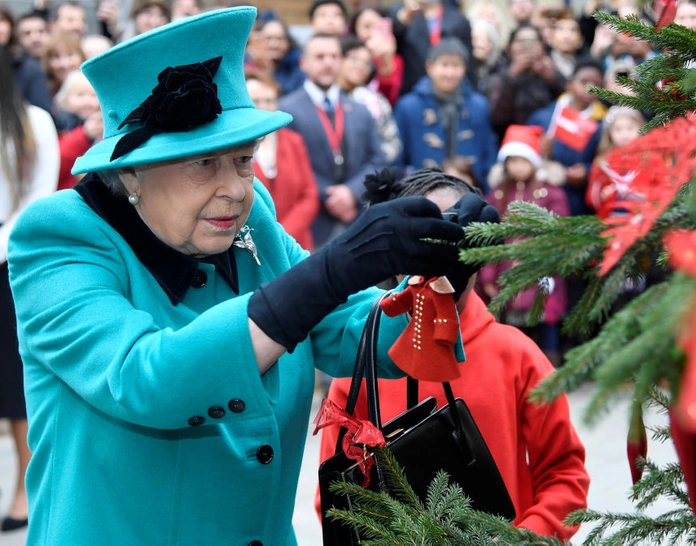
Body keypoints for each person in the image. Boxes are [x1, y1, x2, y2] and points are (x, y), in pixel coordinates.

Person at [6, 8, 487, 545]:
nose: (235, 187)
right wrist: (329, 271)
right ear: (130, 172)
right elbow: (144, 380)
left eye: (243, 158)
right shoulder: (60, 237)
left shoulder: (248, 216)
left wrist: (444, 267)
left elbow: (356, 335)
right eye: (202, 163)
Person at [317, 167, 589, 542]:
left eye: (457, 244)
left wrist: (524, 537)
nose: (441, 264)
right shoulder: (357, 367)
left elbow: (564, 476)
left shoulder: (517, 356)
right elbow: (335, 499)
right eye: (424, 244)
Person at [0, 44, 59, 533]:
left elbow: (35, 202)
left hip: (7, 261)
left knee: (15, 385)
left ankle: (25, 488)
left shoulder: (33, 121)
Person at [278, 33, 385, 247]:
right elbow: (288, 165)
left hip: (356, 219)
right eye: (320, 57)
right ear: (303, 62)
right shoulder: (286, 110)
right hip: (312, 223)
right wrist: (330, 195)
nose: (328, 63)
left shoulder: (361, 111)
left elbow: (378, 160)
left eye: (334, 56)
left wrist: (351, 192)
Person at [479, 124, 570, 364]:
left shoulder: (550, 194)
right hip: (507, 268)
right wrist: (488, 275)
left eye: (523, 160)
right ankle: (518, 365)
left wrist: (549, 259)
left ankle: (549, 363)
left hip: (541, 267)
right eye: (512, 161)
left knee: (545, 315)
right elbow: (490, 236)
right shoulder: (498, 194)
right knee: (514, 321)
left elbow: (560, 230)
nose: (517, 166)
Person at [394, 38, 497, 193]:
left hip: (469, 190)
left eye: (456, 66)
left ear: (464, 68)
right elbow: (398, 157)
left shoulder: (478, 105)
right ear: (430, 67)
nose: (450, 73)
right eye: (444, 65)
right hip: (421, 193)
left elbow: (488, 152)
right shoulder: (408, 106)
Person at [246, 71, 319, 250]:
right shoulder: (236, 148)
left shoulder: (293, 141)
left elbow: (309, 194)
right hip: (255, 245)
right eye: (256, 101)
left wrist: (282, 233)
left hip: (295, 244)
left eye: (269, 101)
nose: (264, 107)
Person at [528, 57, 607, 216]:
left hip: (578, 204)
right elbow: (522, 153)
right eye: (584, 82)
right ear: (569, 84)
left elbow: (606, 159)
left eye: (596, 84)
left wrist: (586, 172)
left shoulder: (602, 124)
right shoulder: (544, 117)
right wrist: (540, 150)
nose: (590, 88)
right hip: (540, 198)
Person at [484, 23, 566, 143]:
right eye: (521, 41)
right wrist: (512, 75)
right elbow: (496, 118)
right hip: (510, 143)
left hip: (545, 142)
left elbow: (569, 105)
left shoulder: (550, 72)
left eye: (533, 41)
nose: (526, 46)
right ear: (509, 48)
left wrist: (550, 78)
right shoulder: (498, 76)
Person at [338, 36, 402, 165]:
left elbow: (392, 142)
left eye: (366, 63)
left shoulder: (377, 101)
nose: (360, 66)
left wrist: (374, 160)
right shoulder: (325, 97)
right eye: (354, 59)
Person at [390, 0, 475, 96]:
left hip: (452, 91)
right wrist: (405, 17)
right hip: (412, 88)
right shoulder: (400, 13)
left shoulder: (458, 20)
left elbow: (468, 63)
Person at [586, 106, 647, 220]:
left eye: (630, 128)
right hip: (610, 219)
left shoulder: (648, 159)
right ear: (609, 134)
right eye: (618, 129)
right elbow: (592, 196)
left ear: (641, 128)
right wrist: (602, 194)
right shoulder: (603, 163)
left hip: (640, 220)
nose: (624, 134)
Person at [54, 69, 103, 189]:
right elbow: (56, 164)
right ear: (65, 99)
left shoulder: (105, 126)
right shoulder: (57, 125)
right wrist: (84, 135)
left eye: (94, 95)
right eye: (80, 95)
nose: (88, 102)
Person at [349, 4, 404, 105]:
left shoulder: (395, 60)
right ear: (356, 30)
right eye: (366, 26)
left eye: (377, 27)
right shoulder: (347, 57)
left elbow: (390, 96)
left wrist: (385, 59)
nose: (372, 32)